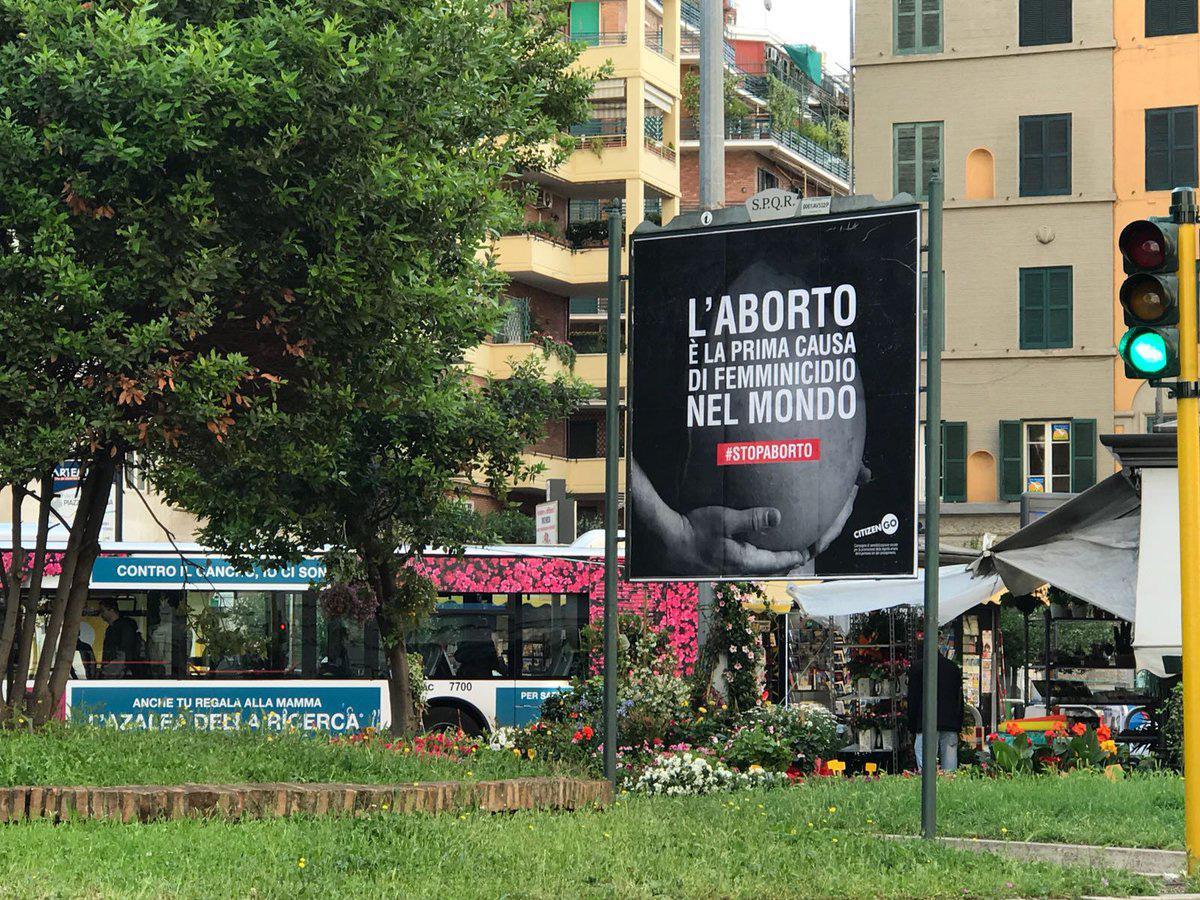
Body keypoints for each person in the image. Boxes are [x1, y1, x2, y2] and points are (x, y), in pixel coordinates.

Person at [906, 641, 964, 773]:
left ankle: (930, 788)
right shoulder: (953, 668)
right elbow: (959, 698)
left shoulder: (918, 668)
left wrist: (912, 725)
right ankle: (950, 788)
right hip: (950, 722)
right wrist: (958, 723)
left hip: (926, 722)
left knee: (926, 763)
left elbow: (913, 699)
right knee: (950, 765)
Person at [99, 598, 143, 678]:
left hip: (119, 674)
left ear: (112, 610)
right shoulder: (111, 628)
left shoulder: (124, 628)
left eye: (103, 611)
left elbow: (124, 653)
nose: (101, 614)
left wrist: (110, 672)